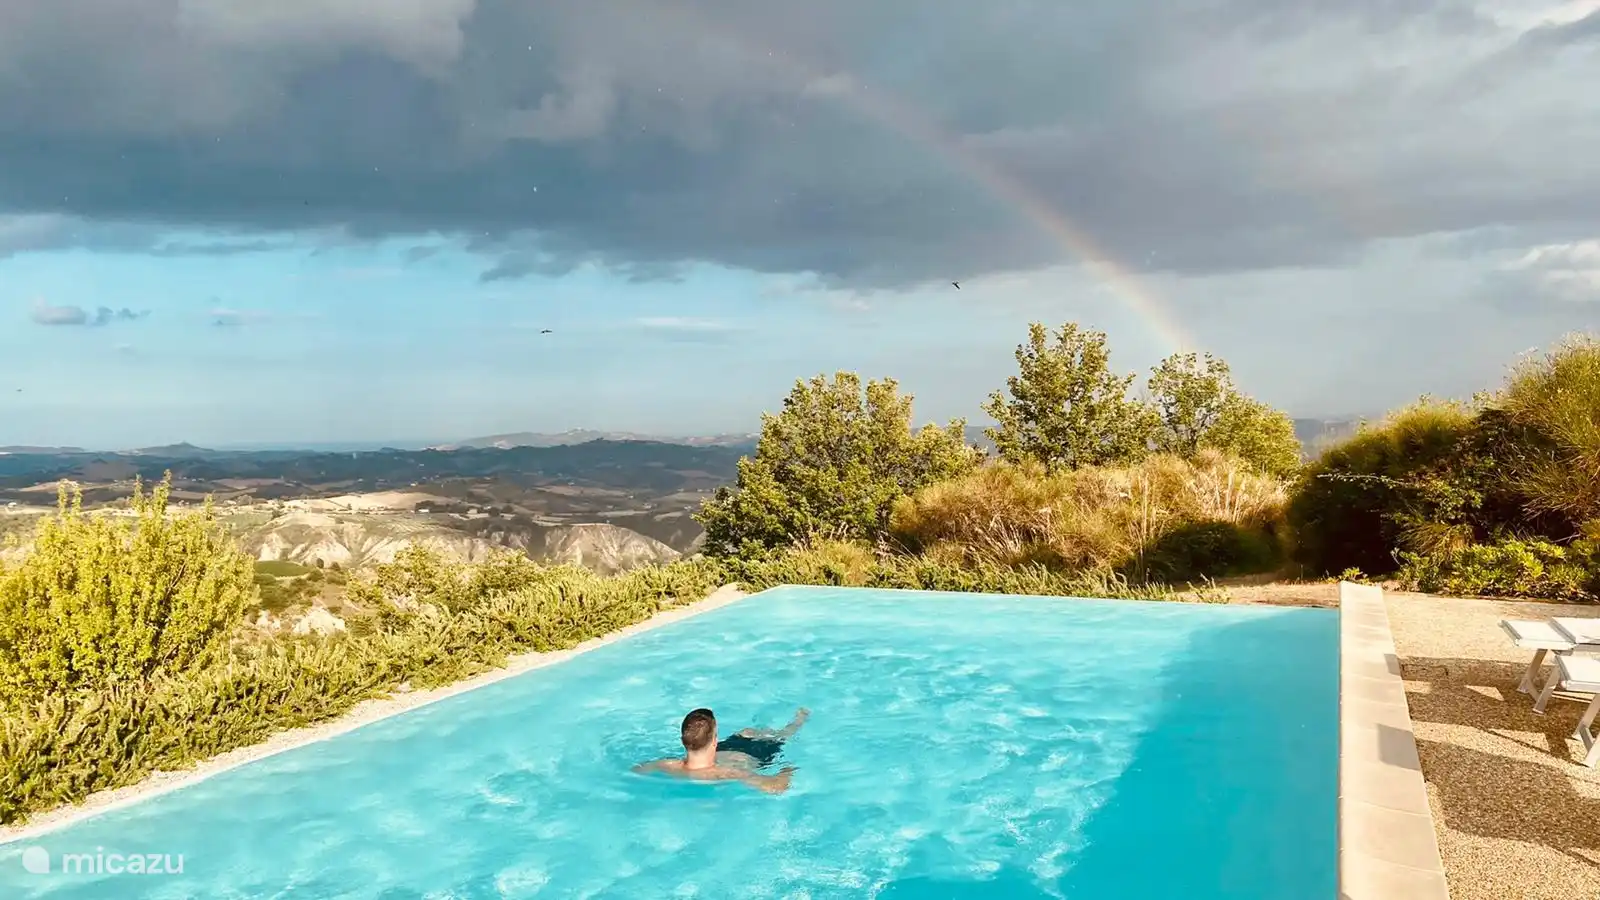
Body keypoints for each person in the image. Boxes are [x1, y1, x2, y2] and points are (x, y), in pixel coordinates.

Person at [632, 707, 809, 794]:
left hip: (723, 751)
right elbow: (777, 787)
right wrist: (788, 769)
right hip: (753, 755)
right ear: (714, 741)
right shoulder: (727, 773)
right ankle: (799, 720)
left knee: (746, 732)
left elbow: (637, 770)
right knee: (782, 735)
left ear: (683, 741)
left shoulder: (667, 765)